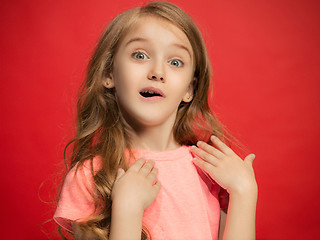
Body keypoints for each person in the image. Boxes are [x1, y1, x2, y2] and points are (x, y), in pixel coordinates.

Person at [53, 1, 258, 239]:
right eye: (140, 55)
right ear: (109, 73)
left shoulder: (209, 169)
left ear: (189, 89)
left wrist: (244, 193)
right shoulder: (89, 176)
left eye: (175, 62)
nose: (157, 72)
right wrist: (127, 209)